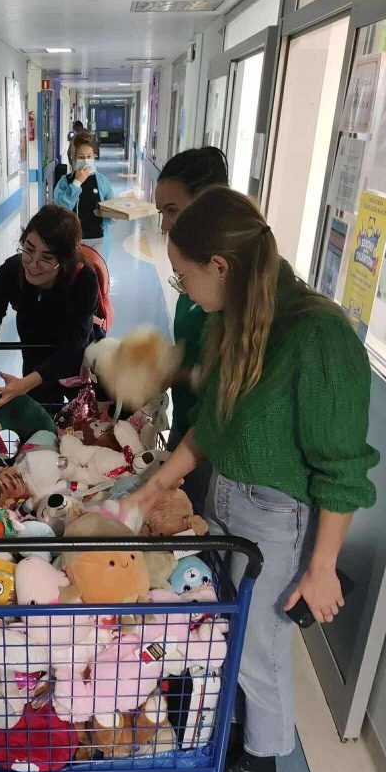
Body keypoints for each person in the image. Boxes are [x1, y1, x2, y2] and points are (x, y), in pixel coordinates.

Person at [126, 187, 379, 772]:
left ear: (220, 266)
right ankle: (235, 726)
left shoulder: (318, 336)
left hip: (276, 518)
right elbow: (212, 424)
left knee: (256, 645)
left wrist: (321, 567)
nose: (184, 291)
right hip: (227, 500)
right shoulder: (238, 321)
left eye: (185, 276)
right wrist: (155, 484)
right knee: (226, 629)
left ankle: (262, 762)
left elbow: (342, 469)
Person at [155, 146, 229, 512]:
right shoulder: (193, 279)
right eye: (161, 213)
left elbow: (228, 386)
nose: (164, 226)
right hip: (187, 426)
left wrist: (174, 373)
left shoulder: (231, 297)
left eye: (172, 210)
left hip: (213, 446)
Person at [0, 204, 99, 406]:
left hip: (76, 365)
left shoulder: (84, 279)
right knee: (41, 419)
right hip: (34, 358)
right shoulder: (11, 272)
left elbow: (74, 344)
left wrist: (25, 384)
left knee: (81, 418)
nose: (32, 264)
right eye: (29, 250)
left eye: (46, 258)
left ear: (64, 261)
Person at [54, 135, 114, 246]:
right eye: (81, 157)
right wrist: (77, 182)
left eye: (89, 156)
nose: (86, 160)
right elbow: (61, 210)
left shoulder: (102, 181)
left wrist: (117, 212)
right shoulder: (65, 182)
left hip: (98, 239)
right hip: (71, 239)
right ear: (73, 158)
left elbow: (111, 212)